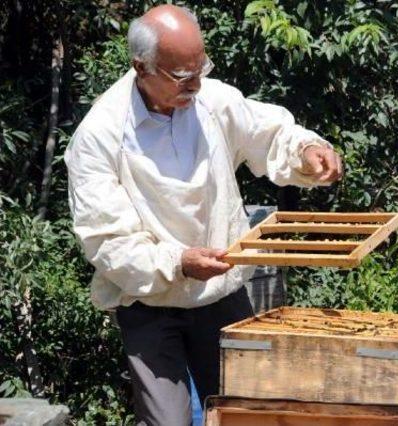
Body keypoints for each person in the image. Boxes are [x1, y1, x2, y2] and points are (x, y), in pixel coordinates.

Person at [64, 4, 342, 425]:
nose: (196, 84)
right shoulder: (98, 137)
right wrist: (178, 262)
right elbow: (107, 242)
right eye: (182, 76)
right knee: (168, 421)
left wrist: (307, 151)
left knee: (246, 414)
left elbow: (269, 133)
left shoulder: (211, 99)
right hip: (149, 302)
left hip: (222, 295)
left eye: (201, 68)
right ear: (142, 67)